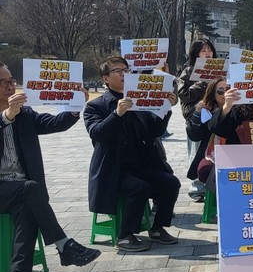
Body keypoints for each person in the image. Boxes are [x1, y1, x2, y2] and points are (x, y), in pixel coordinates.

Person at [0, 62, 101, 272]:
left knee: (26, 211)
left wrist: (75, 107)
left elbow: (54, 123)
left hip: (22, 191)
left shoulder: (25, 113)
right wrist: (6, 117)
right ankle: (64, 245)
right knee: (30, 189)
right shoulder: (12, 113)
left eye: (11, 81)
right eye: (3, 82)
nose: (10, 86)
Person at [85, 57, 181, 252]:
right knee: (139, 187)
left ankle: (157, 228)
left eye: (126, 70)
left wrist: (165, 109)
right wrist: (116, 114)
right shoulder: (96, 106)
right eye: (118, 71)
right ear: (105, 78)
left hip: (140, 165)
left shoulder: (138, 99)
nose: (124, 74)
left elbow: (154, 131)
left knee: (171, 182)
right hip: (112, 170)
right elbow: (97, 133)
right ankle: (125, 236)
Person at [175, 39, 216, 200]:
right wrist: (202, 84)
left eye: (209, 50)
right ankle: (197, 189)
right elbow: (183, 94)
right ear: (196, 54)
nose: (207, 54)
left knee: (214, 151)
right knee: (196, 151)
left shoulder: (219, 70)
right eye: (203, 51)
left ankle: (213, 185)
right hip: (196, 117)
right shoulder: (188, 72)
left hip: (215, 116)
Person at [185, 78, 228, 190]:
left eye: (228, 90)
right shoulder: (208, 111)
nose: (225, 94)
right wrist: (197, 113)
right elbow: (194, 136)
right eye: (220, 91)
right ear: (213, 94)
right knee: (206, 171)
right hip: (211, 155)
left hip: (234, 154)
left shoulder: (241, 110)